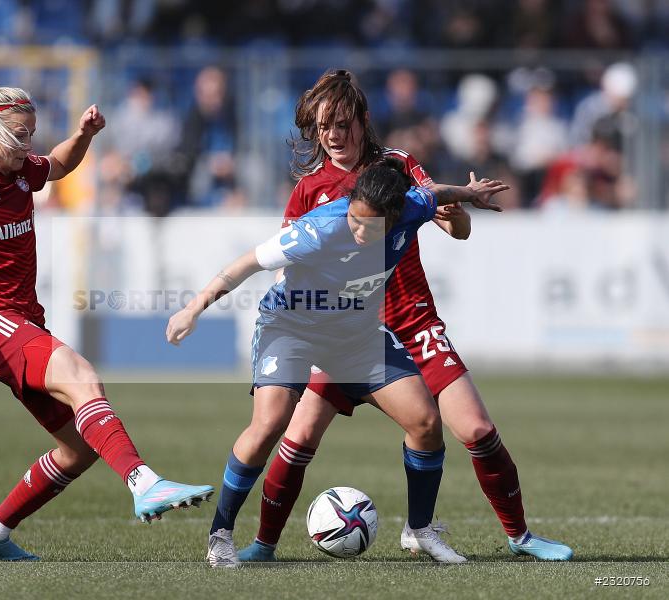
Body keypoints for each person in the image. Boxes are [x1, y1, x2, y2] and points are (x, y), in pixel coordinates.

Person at [234, 69, 573, 563]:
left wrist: (457, 213)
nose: (334, 136)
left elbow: (456, 228)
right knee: (299, 435)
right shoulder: (309, 190)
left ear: (363, 121)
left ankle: (517, 536)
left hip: (413, 324)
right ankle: (263, 545)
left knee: (476, 429)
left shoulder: (397, 165)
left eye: (343, 124)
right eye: (324, 127)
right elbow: (291, 264)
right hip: (347, 334)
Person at [0, 78, 213, 561]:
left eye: (31, 134)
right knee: (81, 374)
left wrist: (85, 135)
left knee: (79, 449)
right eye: (19, 136)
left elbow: (58, 164)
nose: (27, 145)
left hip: (23, 321)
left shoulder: (19, 169)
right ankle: (144, 482)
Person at [167, 157, 507, 568]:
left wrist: (470, 194)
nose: (358, 230)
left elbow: (436, 193)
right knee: (270, 423)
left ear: (395, 215)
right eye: (354, 219)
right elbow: (246, 263)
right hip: (291, 328)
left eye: (369, 225)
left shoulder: (413, 206)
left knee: (425, 422)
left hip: (356, 335)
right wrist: (193, 309)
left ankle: (420, 529)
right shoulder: (321, 227)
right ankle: (220, 534)